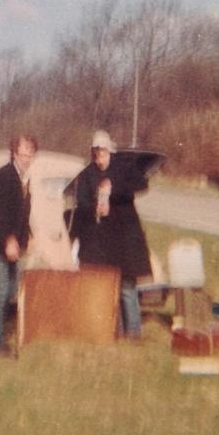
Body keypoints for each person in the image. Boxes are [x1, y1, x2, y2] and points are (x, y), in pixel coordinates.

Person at [65, 130, 153, 339]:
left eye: (103, 152)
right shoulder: (87, 174)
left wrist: (114, 191)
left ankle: (133, 334)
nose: (100, 157)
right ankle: (115, 331)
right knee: (108, 288)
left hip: (125, 238)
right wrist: (95, 207)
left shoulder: (122, 168)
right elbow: (81, 202)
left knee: (127, 287)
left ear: (110, 151)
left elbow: (141, 184)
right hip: (102, 241)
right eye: (96, 152)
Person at [0, 133, 37, 355]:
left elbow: (22, 214)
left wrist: (28, 235)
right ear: (14, 152)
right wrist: (9, 240)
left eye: (31, 153)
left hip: (12, 245)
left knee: (9, 289)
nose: (27, 156)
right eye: (24, 152)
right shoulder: (2, 177)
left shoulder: (24, 179)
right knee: (2, 289)